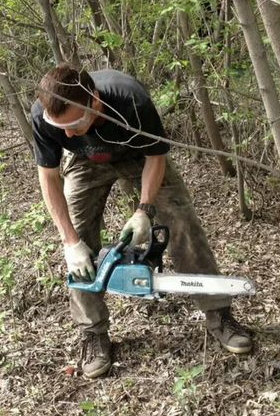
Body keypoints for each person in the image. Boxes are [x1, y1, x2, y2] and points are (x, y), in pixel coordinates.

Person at [31, 64, 253, 378]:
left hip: (137, 156)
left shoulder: (130, 100)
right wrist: (69, 241)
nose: (66, 133)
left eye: (74, 123)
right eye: (60, 126)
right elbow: (49, 177)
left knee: (181, 220)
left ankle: (219, 313)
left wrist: (144, 211)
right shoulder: (44, 115)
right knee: (79, 238)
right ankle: (92, 333)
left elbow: (155, 157)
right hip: (84, 162)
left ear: (94, 101)